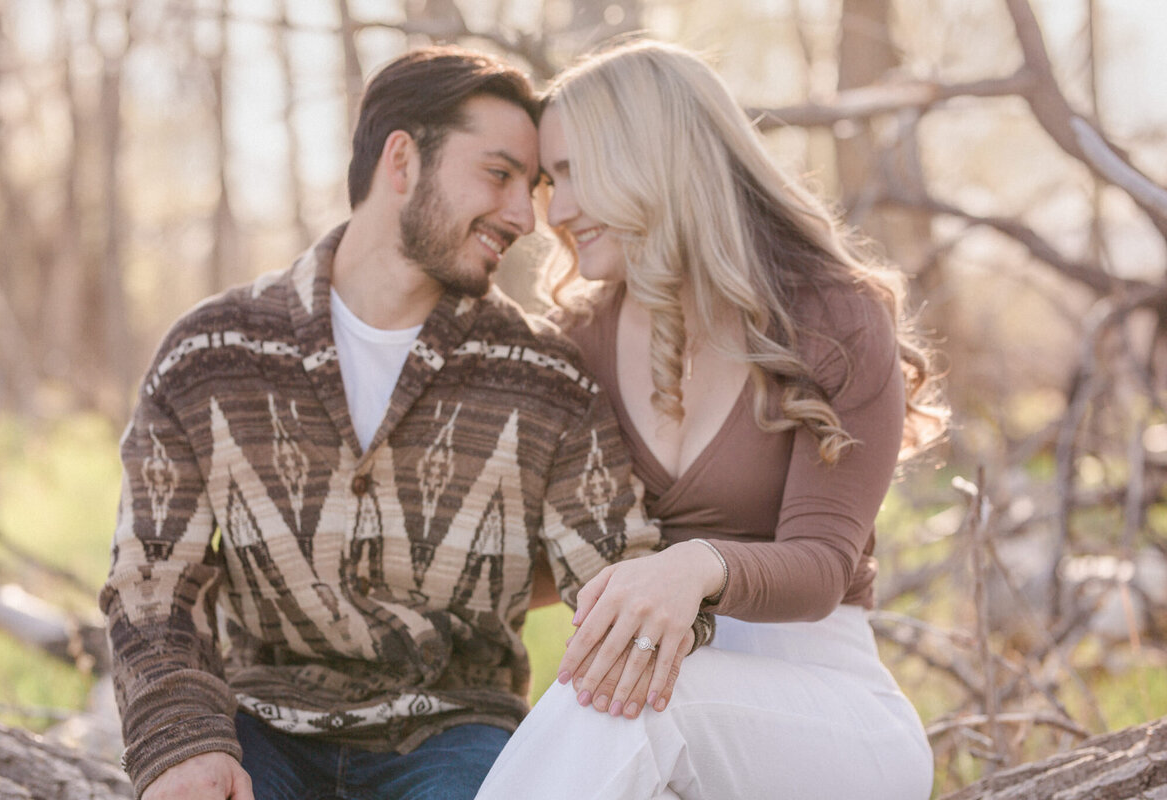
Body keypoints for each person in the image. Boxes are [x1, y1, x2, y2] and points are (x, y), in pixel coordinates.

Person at [98, 46, 672, 800]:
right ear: (402, 160)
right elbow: (151, 582)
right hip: (261, 724)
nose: (524, 217)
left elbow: (616, 576)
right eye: (499, 176)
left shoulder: (545, 378)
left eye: (530, 188)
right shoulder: (211, 356)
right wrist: (180, 742)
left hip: (458, 733)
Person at [476, 39, 948, 799]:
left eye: (571, 174)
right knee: (617, 698)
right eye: (544, 181)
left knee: (627, 701)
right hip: (659, 717)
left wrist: (692, 565)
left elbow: (823, 565)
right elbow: (545, 557)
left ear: (652, 157)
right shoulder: (580, 342)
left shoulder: (832, 316)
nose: (553, 212)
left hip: (830, 723)